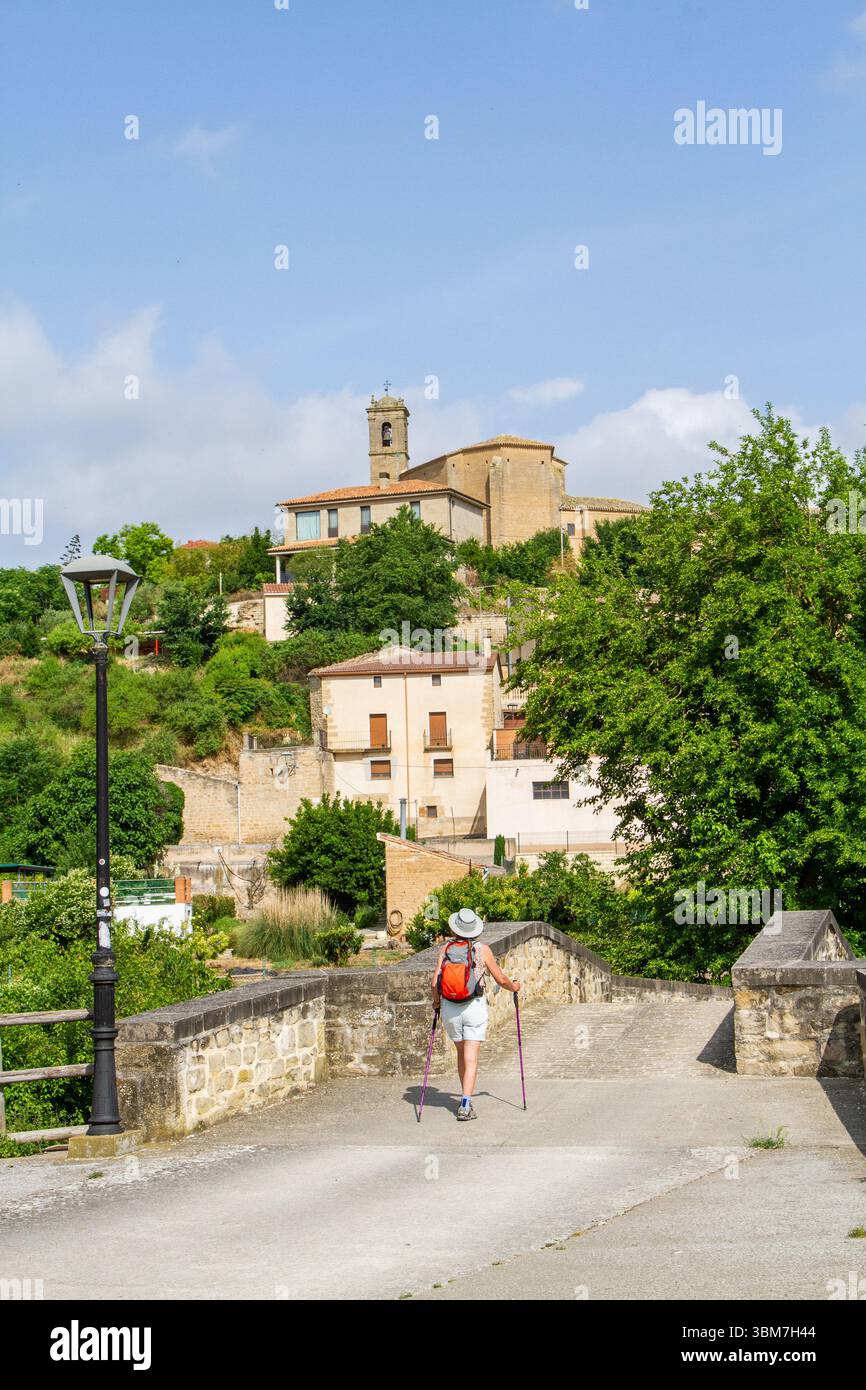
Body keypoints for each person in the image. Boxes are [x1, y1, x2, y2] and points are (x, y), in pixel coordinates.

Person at [431, 907, 520, 1121]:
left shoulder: (446, 950)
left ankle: (465, 1097)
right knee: (471, 1058)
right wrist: (515, 987)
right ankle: (465, 1103)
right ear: (474, 930)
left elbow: (434, 982)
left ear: (455, 929)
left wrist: (436, 1004)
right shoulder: (482, 950)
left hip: (451, 1008)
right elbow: (501, 980)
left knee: (462, 1054)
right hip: (474, 1006)